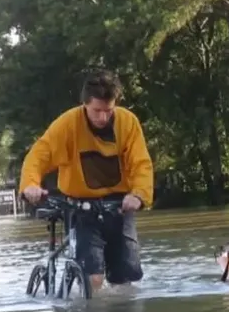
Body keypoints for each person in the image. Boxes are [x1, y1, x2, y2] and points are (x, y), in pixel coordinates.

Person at [19, 69, 154, 292]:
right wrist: (30, 185)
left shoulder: (128, 123)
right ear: (85, 104)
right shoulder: (68, 124)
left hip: (120, 205)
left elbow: (141, 163)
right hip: (81, 208)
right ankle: (89, 309)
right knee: (93, 278)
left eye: (108, 111)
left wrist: (139, 194)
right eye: (97, 111)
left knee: (125, 280)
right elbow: (40, 155)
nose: (103, 118)